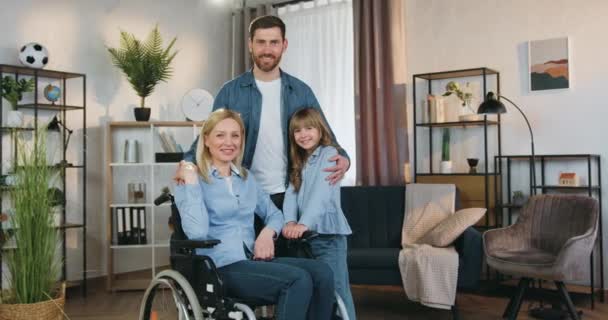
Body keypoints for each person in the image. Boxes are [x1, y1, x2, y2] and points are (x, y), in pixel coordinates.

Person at [175, 108, 335, 320]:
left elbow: (274, 214)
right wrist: (192, 181)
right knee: (297, 279)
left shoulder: (246, 178)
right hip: (219, 267)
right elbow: (196, 233)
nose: (228, 142)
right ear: (206, 140)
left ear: (242, 140)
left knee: (322, 273)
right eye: (220, 135)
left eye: (235, 135)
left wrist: (268, 233)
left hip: (252, 259)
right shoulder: (192, 180)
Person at [178, 15, 349, 209]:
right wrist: (187, 164)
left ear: (284, 45)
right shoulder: (230, 91)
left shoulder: (302, 91)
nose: (267, 50)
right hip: (241, 193)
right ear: (250, 44)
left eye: (274, 42)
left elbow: (327, 137)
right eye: (261, 42)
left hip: (291, 194)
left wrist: (344, 159)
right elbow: (206, 138)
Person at [281, 108, 356, 320]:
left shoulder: (330, 154)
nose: (303, 134)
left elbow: (321, 195)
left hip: (328, 236)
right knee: (315, 293)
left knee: (338, 291)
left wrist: (303, 223)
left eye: (309, 128)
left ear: (321, 130)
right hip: (305, 239)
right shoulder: (300, 160)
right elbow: (291, 193)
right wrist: (290, 220)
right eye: (297, 131)